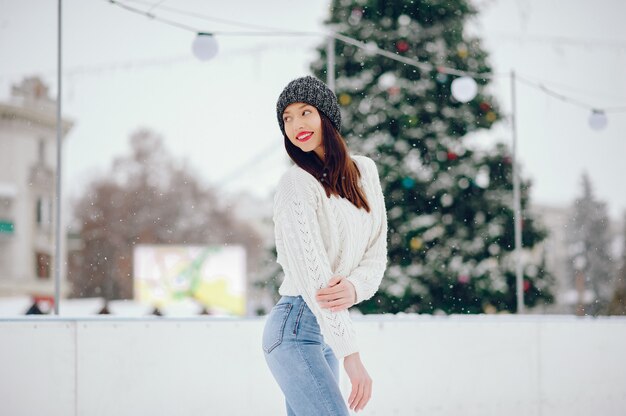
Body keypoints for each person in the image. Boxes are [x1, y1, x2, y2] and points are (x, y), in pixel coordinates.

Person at [262, 75, 388, 415]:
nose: (296, 124)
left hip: (327, 329)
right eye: (286, 118)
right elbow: (316, 280)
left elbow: (376, 253)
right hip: (296, 327)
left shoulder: (365, 172)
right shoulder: (296, 185)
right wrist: (351, 354)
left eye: (305, 112)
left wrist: (355, 286)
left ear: (326, 116)